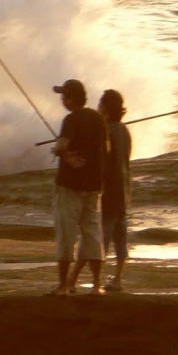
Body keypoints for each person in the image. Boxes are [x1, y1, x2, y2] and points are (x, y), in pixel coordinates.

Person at [50, 78, 107, 294]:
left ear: (72, 99)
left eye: (64, 96)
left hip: (70, 185)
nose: (62, 100)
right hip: (94, 184)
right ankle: (96, 285)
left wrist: (61, 152)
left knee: (66, 233)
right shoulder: (98, 118)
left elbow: (61, 146)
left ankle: (63, 285)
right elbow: (105, 150)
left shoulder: (71, 119)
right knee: (92, 232)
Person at [98, 88, 132, 292]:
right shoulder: (124, 130)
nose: (98, 107)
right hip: (124, 190)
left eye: (101, 104)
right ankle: (117, 278)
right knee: (120, 235)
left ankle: (97, 280)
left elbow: (103, 161)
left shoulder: (106, 132)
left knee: (104, 236)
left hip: (110, 192)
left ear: (106, 109)